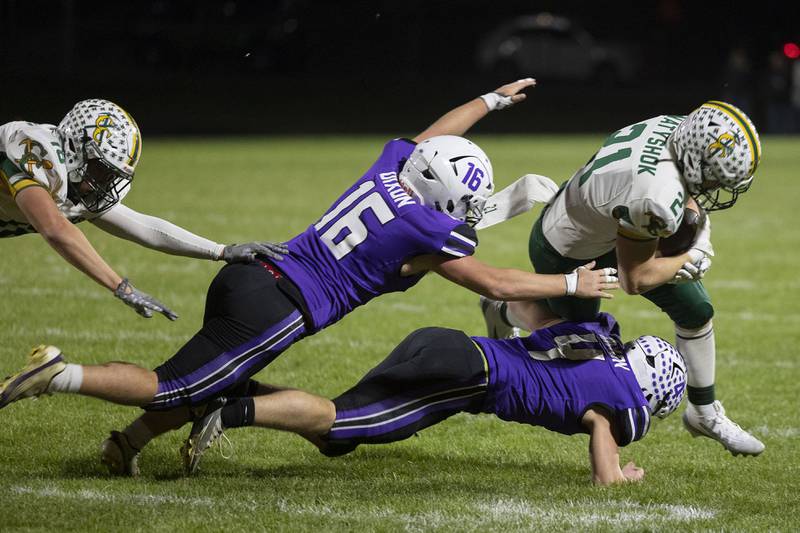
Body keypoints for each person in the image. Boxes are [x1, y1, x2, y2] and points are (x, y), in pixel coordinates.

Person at [0, 78, 619, 476]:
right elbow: (497, 285)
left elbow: (436, 135)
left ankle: (125, 447)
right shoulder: (424, 233)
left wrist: (490, 101)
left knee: (215, 372)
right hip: (281, 305)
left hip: (252, 276)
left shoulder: (390, 167)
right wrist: (572, 286)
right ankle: (58, 374)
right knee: (174, 385)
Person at [3, 312, 686, 486]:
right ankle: (232, 411)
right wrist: (620, 474)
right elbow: (604, 446)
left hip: (448, 342)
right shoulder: (622, 402)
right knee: (337, 428)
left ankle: (205, 404)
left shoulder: (600, 343)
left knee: (333, 419)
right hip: (466, 378)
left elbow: (526, 321)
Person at [480, 101, 764, 455]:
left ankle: (703, 413)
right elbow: (636, 280)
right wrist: (691, 256)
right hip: (568, 246)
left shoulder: (679, 128)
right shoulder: (655, 195)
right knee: (575, 344)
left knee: (696, 309)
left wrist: (692, 228)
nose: (715, 185)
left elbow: (680, 188)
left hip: (610, 220)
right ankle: (504, 308)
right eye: (714, 177)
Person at [0, 99, 286, 320]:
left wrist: (221, 251)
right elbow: (55, 229)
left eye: (111, 176)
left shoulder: (75, 182)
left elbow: (145, 228)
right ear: (75, 147)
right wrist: (120, 287)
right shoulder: (36, 148)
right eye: (101, 171)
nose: (104, 183)